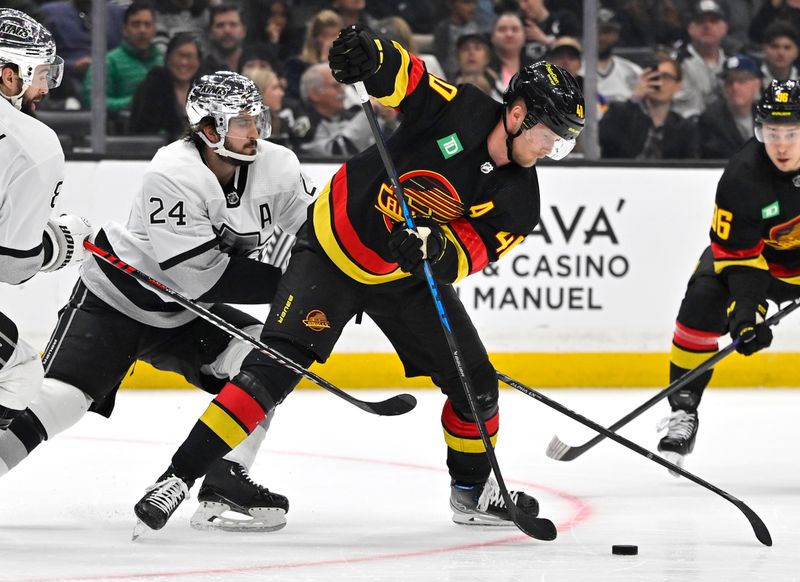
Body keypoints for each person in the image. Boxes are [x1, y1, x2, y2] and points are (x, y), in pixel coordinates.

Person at [131, 24, 585, 534]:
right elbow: (408, 78)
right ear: (519, 114)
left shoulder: (522, 203)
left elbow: (464, 256)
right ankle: (176, 477)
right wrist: (370, 55)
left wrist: (433, 251)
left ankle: (473, 491)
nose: (553, 149)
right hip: (330, 249)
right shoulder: (464, 109)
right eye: (553, 136)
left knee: (475, 383)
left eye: (564, 143)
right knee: (269, 373)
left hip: (401, 278)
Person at [0, 71, 317, 533]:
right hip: (115, 301)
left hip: (183, 311)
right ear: (210, 130)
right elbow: (198, 276)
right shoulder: (172, 172)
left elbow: (317, 233)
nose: (257, 131)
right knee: (60, 400)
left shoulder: (278, 165)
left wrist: (338, 277)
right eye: (243, 122)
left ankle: (225, 475)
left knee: (266, 359)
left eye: (257, 118)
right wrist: (292, 286)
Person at [657, 79, 800, 471]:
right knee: (703, 297)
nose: (782, 146)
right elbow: (739, 257)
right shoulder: (743, 175)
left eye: (791, 133)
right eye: (772, 133)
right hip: (764, 265)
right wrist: (745, 313)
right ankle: (684, 408)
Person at [0, 9, 92, 428]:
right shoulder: (32, 142)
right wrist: (59, 244)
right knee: (18, 374)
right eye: (40, 75)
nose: (45, 88)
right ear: (9, 75)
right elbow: (13, 266)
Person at [600, 54, 699, 159]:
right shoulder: (619, 113)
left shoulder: (685, 128)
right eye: (654, 77)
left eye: (666, 77)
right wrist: (635, 97)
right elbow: (604, 138)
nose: (659, 83)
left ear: (678, 86)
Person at [81, 2, 163, 112]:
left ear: (154, 31)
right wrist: (135, 102)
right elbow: (91, 102)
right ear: (124, 29)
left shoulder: (163, 61)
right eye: (136, 24)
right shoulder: (107, 62)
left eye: (147, 25)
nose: (142, 30)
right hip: (122, 126)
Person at [129, 33, 201, 140]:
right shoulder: (152, 88)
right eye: (179, 56)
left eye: (189, 57)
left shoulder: (205, 91)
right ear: (167, 59)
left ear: (199, 62)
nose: (184, 62)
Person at [698, 54, 762, 159]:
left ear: (757, 85)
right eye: (729, 82)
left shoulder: (767, 116)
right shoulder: (711, 120)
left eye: (742, 81)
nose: (735, 87)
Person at [198, 4, 247, 77]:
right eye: (220, 25)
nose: (227, 31)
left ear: (243, 31)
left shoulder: (256, 63)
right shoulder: (200, 68)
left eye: (233, 24)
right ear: (210, 32)